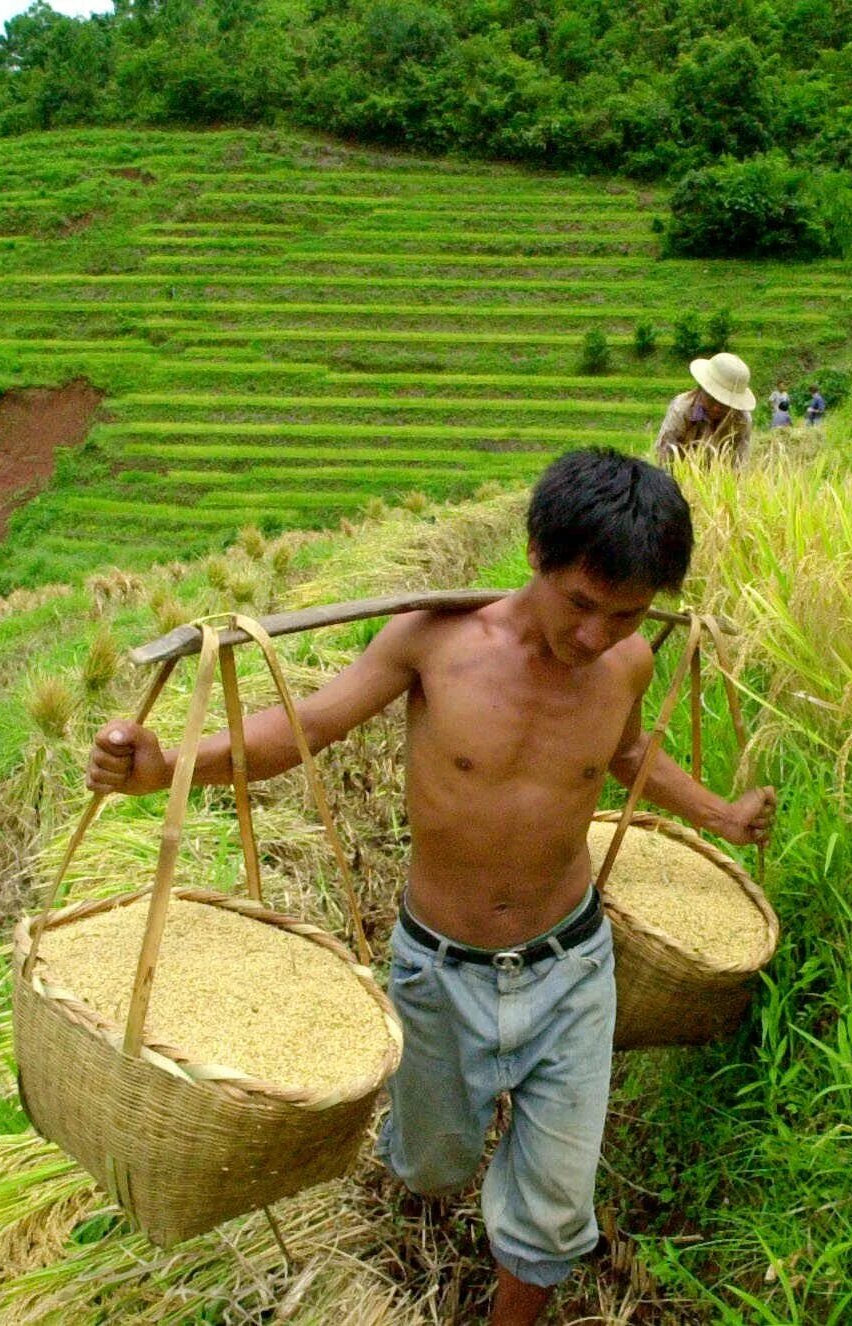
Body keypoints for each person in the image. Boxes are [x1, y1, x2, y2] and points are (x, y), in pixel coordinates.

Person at [85, 449, 776, 1326]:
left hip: (570, 966)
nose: (598, 635)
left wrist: (717, 813)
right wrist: (168, 768)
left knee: (554, 1209)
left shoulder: (628, 664)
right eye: (581, 605)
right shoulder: (434, 642)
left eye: (629, 613)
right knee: (432, 1163)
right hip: (438, 971)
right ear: (536, 553)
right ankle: (432, 1188)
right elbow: (302, 730)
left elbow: (631, 755)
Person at [653, 351, 754, 465]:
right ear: (701, 389)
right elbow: (664, 457)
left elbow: (739, 464)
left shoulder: (741, 420)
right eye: (711, 400)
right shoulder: (682, 410)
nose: (716, 408)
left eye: (724, 405)